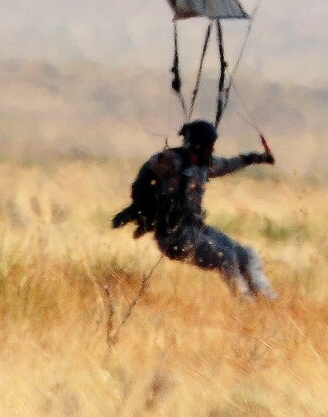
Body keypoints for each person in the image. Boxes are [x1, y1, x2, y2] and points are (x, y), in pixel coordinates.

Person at [112, 119, 278, 299]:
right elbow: (151, 165)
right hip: (174, 236)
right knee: (226, 257)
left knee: (246, 255)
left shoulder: (204, 166)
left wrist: (257, 157)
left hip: (196, 229)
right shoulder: (174, 162)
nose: (212, 151)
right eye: (209, 147)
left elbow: (229, 164)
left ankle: (267, 297)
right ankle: (246, 304)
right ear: (198, 146)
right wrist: (141, 204)